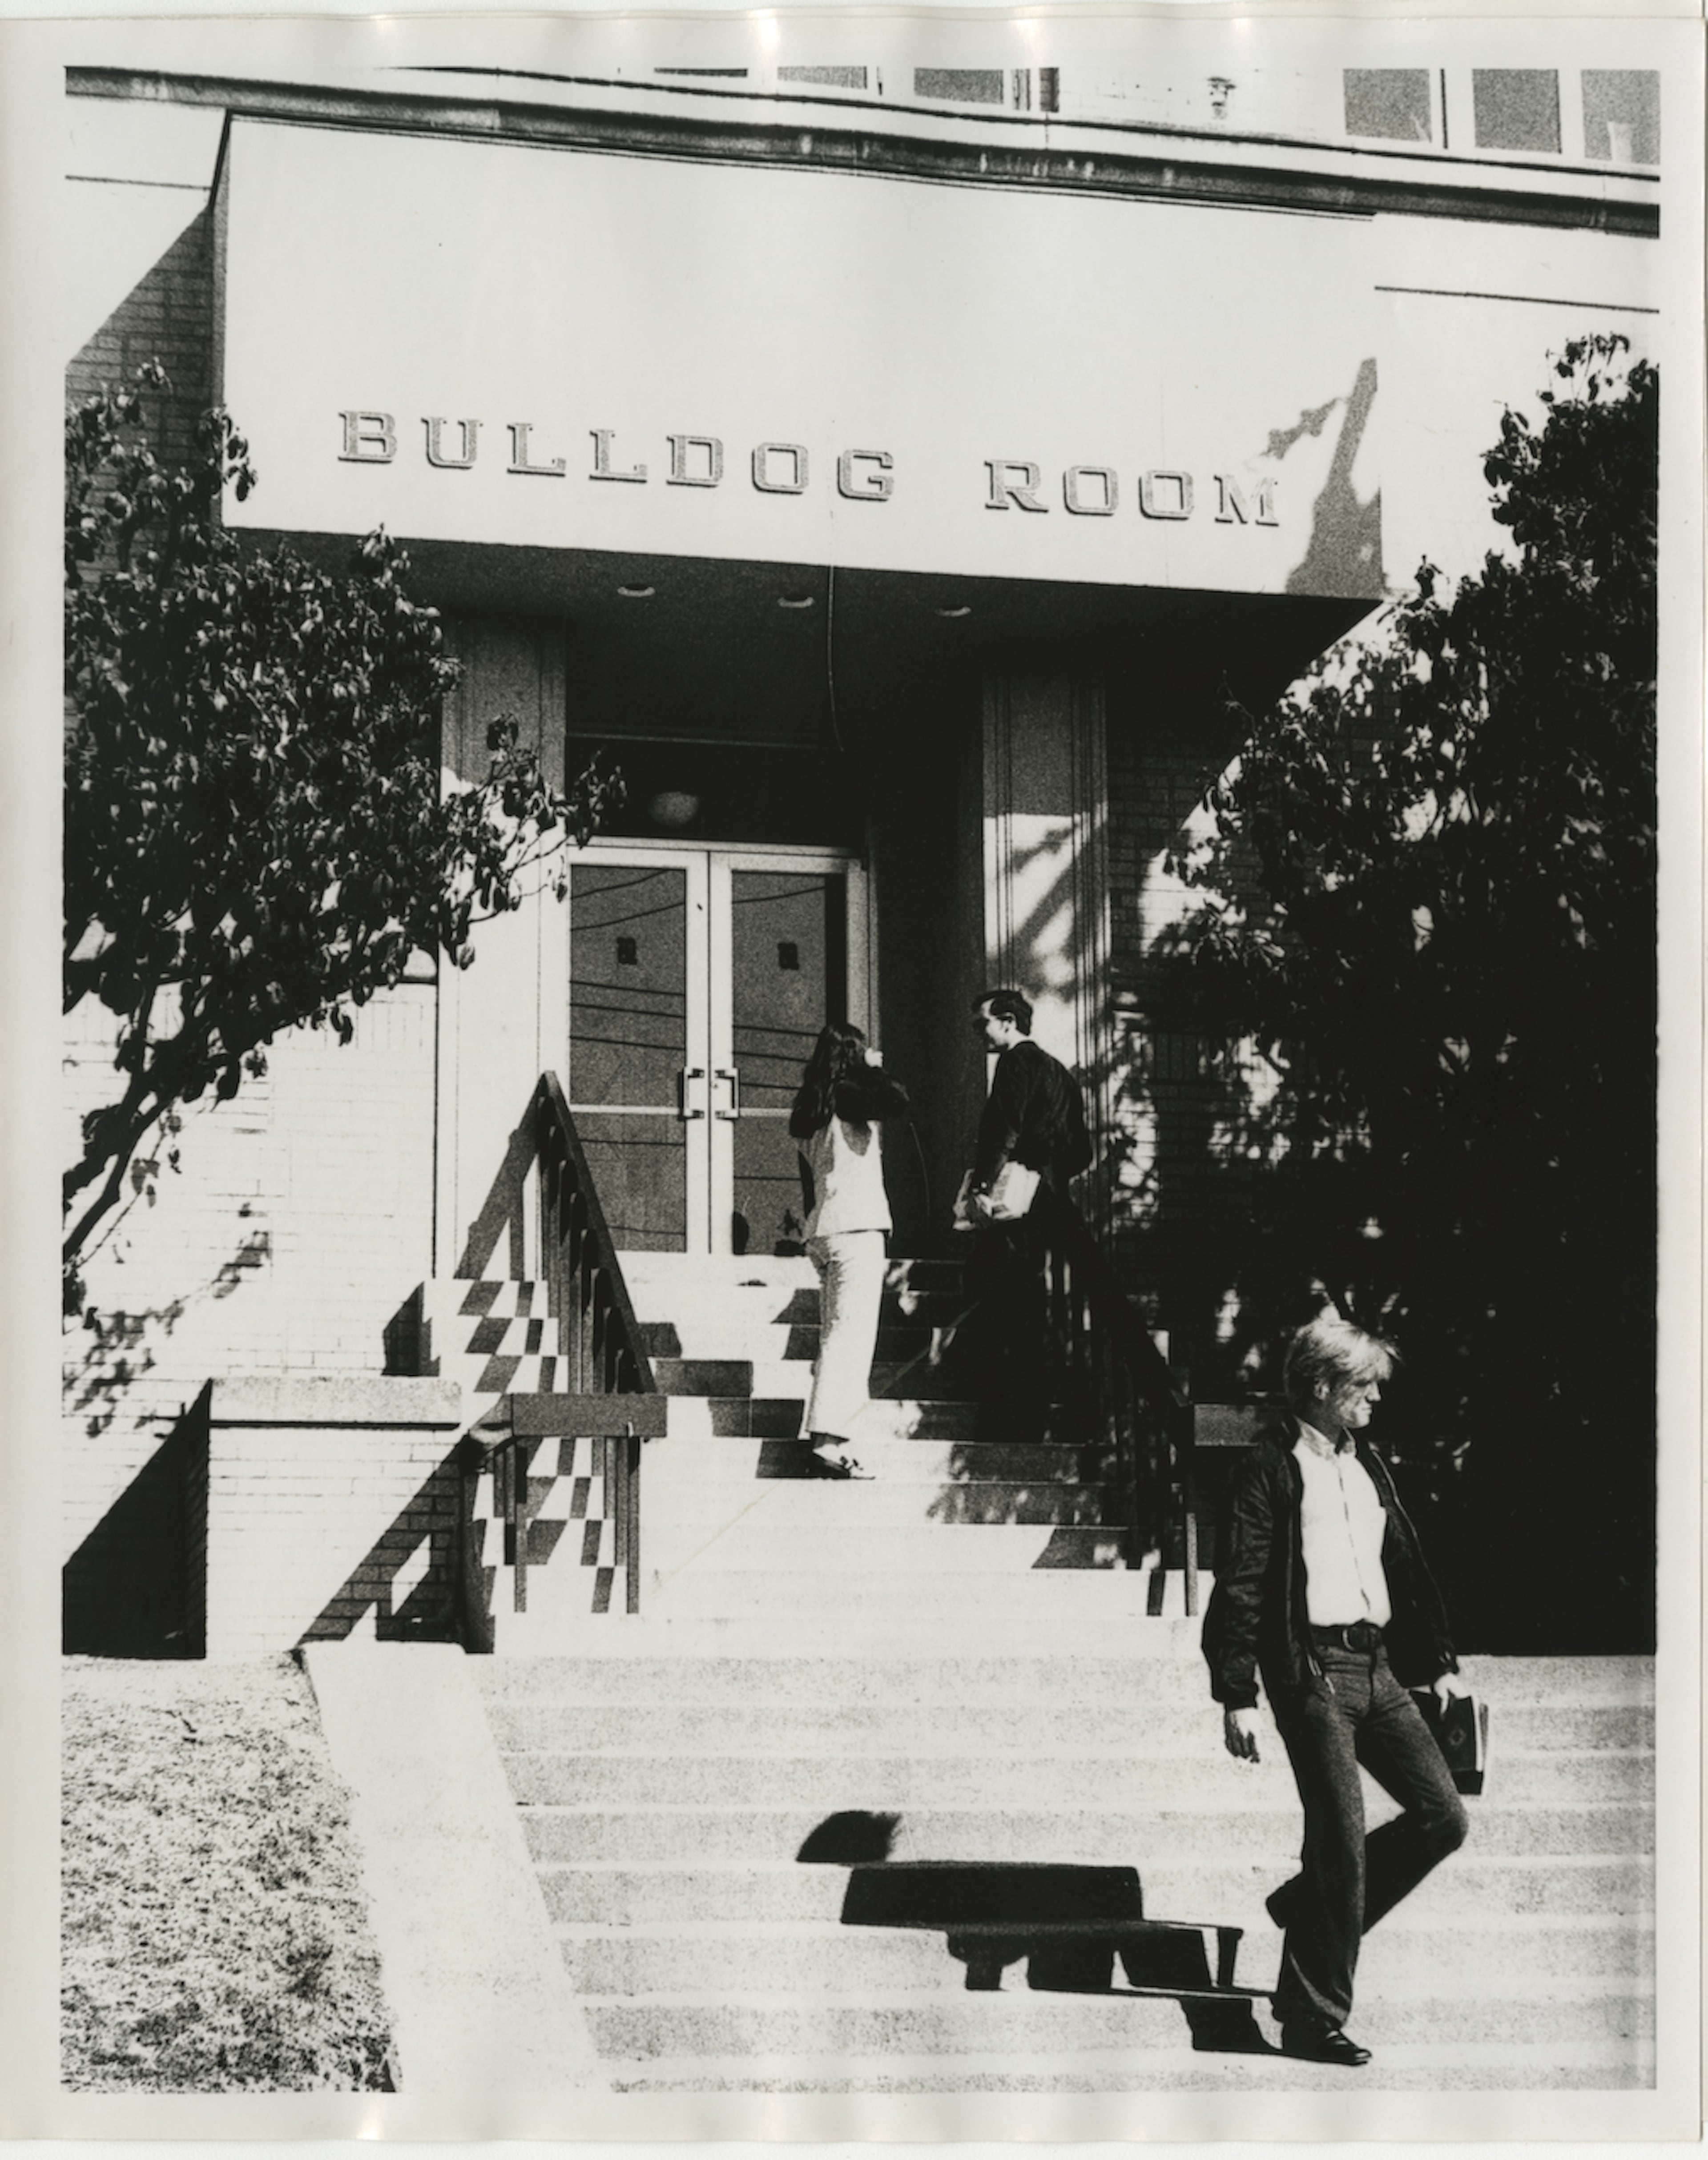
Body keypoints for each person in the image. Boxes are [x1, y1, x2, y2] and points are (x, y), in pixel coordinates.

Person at [1202, 1315, 1471, 2067]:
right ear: (1322, 1388)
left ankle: (1306, 1904)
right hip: (1311, 1669)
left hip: (1378, 1665)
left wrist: (1437, 1661)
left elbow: (1405, 1566)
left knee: (1442, 1817)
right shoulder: (1269, 1466)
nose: (1378, 1398)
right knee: (1342, 1842)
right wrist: (1238, 1692)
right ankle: (1311, 2016)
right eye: (1365, 1386)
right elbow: (1244, 1583)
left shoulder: (1366, 1463)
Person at [963, 988, 1092, 1435]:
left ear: (1007, 1021)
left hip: (1016, 1202)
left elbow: (1003, 1127)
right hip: (1051, 1201)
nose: (978, 1034)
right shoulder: (1060, 1073)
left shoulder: (1015, 1064)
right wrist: (1050, 1171)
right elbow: (1082, 1151)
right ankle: (1034, 1408)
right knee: (1032, 1301)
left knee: (1001, 1295)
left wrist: (983, 1186)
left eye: (982, 1024)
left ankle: (1010, 1410)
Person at [788, 1022, 909, 1480]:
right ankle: (828, 1442)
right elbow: (899, 1101)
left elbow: (807, 1182)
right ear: (853, 1053)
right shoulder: (849, 1095)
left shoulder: (810, 1105)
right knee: (850, 1339)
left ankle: (825, 1435)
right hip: (857, 1227)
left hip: (823, 1227)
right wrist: (874, 1069)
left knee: (834, 1333)